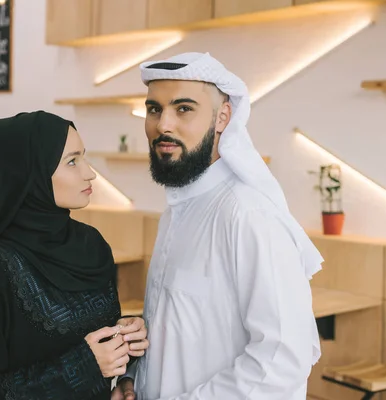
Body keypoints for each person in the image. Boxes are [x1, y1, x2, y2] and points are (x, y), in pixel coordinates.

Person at [113, 52, 325, 400]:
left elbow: (281, 360)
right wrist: (136, 377)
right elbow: (186, 330)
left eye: (183, 108)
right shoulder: (181, 208)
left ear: (223, 117)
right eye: (154, 109)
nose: (163, 124)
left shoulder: (247, 214)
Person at [0, 111, 149, 400]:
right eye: (72, 161)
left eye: (83, 157)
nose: (89, 173)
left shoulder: (92, 245)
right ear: (28, 173)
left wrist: (124, 336)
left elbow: (84, 340)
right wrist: (83, 367)